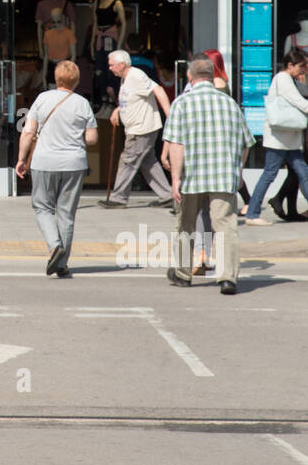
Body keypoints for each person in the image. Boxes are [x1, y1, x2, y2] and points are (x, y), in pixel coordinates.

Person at [161, 57, 254, 293]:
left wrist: (175, 179)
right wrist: (238, 171)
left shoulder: (182, 103)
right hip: (223, 175)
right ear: (213, 78)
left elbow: (176, 145)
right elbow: (245, 143)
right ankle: (227, 278)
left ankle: (182, 274)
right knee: (226, 226)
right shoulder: (230, 104)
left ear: (190, 78)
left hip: (192, 175)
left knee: (185, 225)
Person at [15, 60, 98, 278]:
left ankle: (54, 246)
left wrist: (21, 159)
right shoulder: (82, 103)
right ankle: (62, 263)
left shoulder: (43, 99)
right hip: (74, 163)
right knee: (66, 213)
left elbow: (28, 132)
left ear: (56, 77)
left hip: (44, 162)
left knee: (42, 207)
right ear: (77, 80)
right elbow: (91, 138)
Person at [242, 51, 308, 226]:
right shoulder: (283, 79)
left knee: (303, 173)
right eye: (301, 66)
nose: (303, 70)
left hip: (287, 137)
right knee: (270, 174)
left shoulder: (288, 79)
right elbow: (298, 101)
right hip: (279, 138)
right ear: (290, 65)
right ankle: (252, 213)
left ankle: (252, 212)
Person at [99, 50, 172, 208]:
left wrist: (170, 115)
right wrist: (118, 110)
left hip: (141, 129)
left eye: (112, 65)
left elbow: (158, 90)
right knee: (148, 162)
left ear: (122, 64)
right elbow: (131, 99)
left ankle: (118, 198)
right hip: (139, 127)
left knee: (128, 161)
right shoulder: (126, 78)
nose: (110, 68)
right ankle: (167, 195)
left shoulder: (136, 76)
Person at [41, 8, 76, 87]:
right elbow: (46, 56)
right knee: (52, 93)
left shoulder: (69, 33)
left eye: (58, 21)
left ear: (62, 18)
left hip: (64, 66)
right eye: (54, 21)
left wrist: (70, 72)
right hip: (52, 66)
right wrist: (43, 77)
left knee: (64, 93)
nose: (56, 24)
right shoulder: (47, 34)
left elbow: (73, 55)